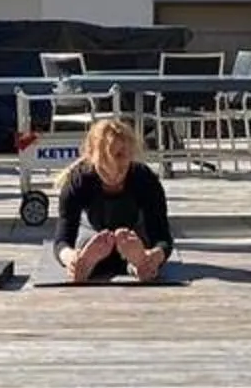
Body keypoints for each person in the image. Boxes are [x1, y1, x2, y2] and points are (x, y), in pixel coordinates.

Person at [55, 116, 174, 283]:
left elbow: (162, 236)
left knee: (141, 245)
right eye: (106, 164)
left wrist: (153, 256)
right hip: (94, 233)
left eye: (121, 160)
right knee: (86, 243)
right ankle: (87, 265)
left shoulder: (145, 179)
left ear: (131, 155)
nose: (114, 172)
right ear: (92, 156)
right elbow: (62, 239)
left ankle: (138, 266)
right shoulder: (79, 181)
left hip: (135, 233)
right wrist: (71, 259)